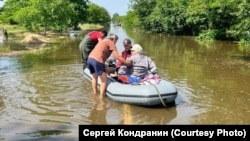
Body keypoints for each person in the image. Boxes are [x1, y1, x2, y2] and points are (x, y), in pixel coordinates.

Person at [87, 33, 131, 99]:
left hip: (90, 59)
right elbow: (117, 56)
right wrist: (127, 63)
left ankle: (94, 93)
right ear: (113, 39)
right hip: (97, 60)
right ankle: (101, 98)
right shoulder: (110, 42)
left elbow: (100, 53)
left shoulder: (103, 41)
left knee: (94, 77)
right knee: (104, 80)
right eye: (116, 41)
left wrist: (104, 66)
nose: (115, 43)